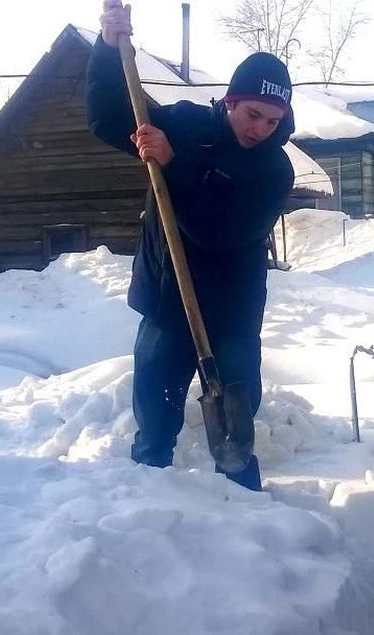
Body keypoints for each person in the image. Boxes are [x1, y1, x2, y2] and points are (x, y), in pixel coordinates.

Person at [86, 1, 295, 491]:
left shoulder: (273, 169)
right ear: (229, 101)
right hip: (167, 305)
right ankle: (146, 509)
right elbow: (108, 117)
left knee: (234, 437)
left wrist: (173, 166)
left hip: (231, 317)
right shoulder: (182, 125)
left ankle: (247, 520)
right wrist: (106, 46)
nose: (260, 128)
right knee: (154, 428)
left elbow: (223, 232)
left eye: (272, 120)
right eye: (253, 114)